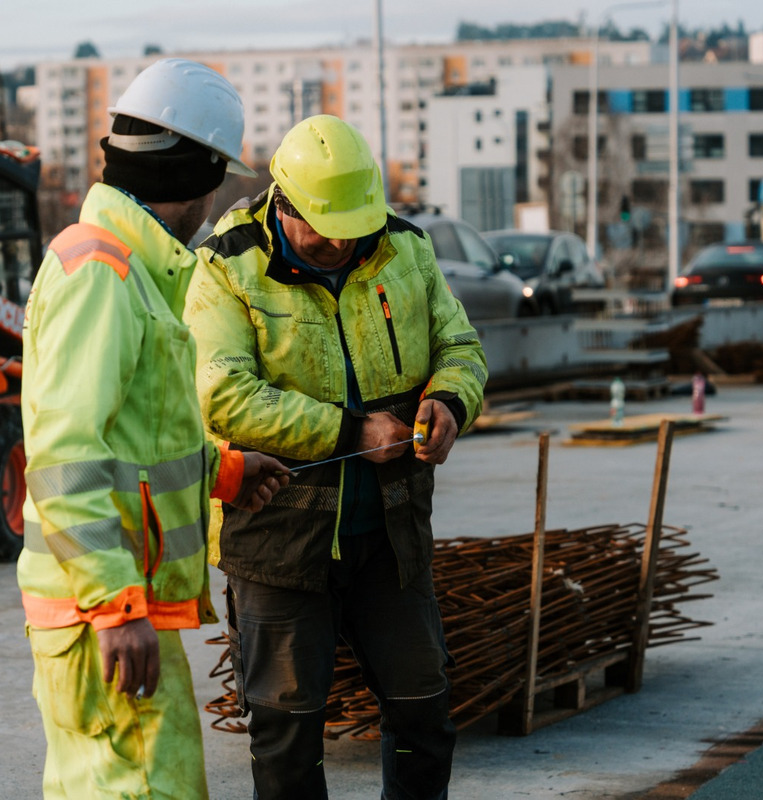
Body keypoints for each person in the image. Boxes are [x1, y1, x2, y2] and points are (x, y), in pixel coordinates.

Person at [186, 114, 489, 800]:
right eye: (322, 227)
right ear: (282, 203)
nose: (338, 243)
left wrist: (449, 400)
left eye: (351, 226)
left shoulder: (404, 250)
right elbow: (221, 397)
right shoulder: (226, 266)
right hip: (278, 541)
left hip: (390, 533)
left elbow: (461, 348)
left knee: (423, 710)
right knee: (287, 733)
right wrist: (351, 434)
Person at [17, 58, 289, 800]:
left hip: (108, 604)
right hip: (100, 609)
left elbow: (138, 440)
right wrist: (114, 606)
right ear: (197, 176)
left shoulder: (132, 270)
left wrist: (223, 471)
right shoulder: (102, 274)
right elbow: (67, 456)